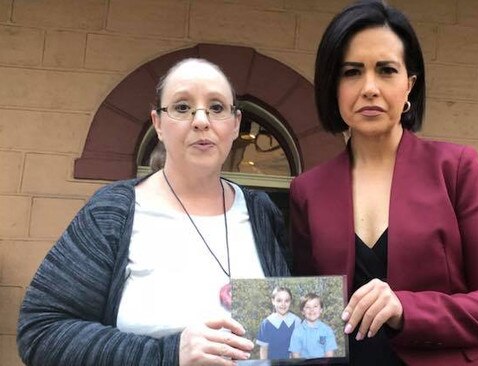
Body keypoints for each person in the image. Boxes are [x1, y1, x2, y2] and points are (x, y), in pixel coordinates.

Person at [289, 1, 478, 365]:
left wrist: (407, 308)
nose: (369, 87)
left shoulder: (455, 168)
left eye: (386, 70)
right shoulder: (308, 190)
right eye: (351, 72)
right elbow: (306, 313)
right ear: (333, 86)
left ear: (409, 86)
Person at [17, 58, 291, 366]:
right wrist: (169, 354)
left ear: (236, 123)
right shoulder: (113, 211)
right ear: (158, 123)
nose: (201, 120)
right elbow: (41, 331)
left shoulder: (262, 213)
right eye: (182, 107)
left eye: (216, 107)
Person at [255, 286, 300, 359]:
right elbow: (263, 349)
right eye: (279, 300)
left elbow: (298, 349)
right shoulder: (266, 323)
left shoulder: (296, 321)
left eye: (286, 301)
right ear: (273, 301)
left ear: (290, 301)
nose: (283, 304)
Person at [289, 293, 337, 359]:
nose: (312, 309)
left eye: (315, 306)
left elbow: (329, 355)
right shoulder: (297, 332)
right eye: (308, 307)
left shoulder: (327, 331)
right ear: (302, 311)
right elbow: (295, 355)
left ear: (321, 310)